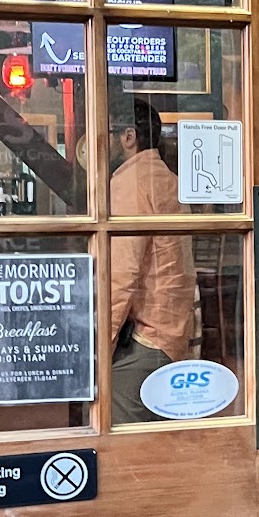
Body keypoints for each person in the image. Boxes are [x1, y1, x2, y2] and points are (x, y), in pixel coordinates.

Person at [108, 95, 197, 421]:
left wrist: (99, 343)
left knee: (125, 444)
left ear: (128, 137)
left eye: (109, 133)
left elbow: (121, 273)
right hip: (173, 331)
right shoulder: (168, 179)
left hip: (145, 339)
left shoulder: (131, 183)